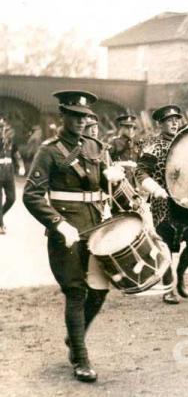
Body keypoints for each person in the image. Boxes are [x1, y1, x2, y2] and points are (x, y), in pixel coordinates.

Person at [22, 90, 125, 382]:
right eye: (75, 116)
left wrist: (113, 176)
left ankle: (74, 336)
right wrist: (57, 222)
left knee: (101, 288)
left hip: (96, 228)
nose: (81, 121)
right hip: (66, 232)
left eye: (85, 117)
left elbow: (106, 186)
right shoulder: (50, 150)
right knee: (76, 291)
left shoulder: (94, 147)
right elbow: (31, 194)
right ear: (63, 116)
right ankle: (80, 358)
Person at [134, 104, 188, 305]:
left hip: (186, 201)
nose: (174, 123)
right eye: (169, 120)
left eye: (176, 119)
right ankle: (169, 285)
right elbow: (140, 172)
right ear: (161, 123)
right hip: (163, 201)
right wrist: (155, 189)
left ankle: (180, 275)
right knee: (165, 243)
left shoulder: (185, 144)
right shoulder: (152, 144)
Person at [0, 117, 25, 234]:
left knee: (11, 199)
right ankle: (1, 225)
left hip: (8, 172)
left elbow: (16, 153)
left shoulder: (10, 141)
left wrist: (21, 165)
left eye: (3, 126)